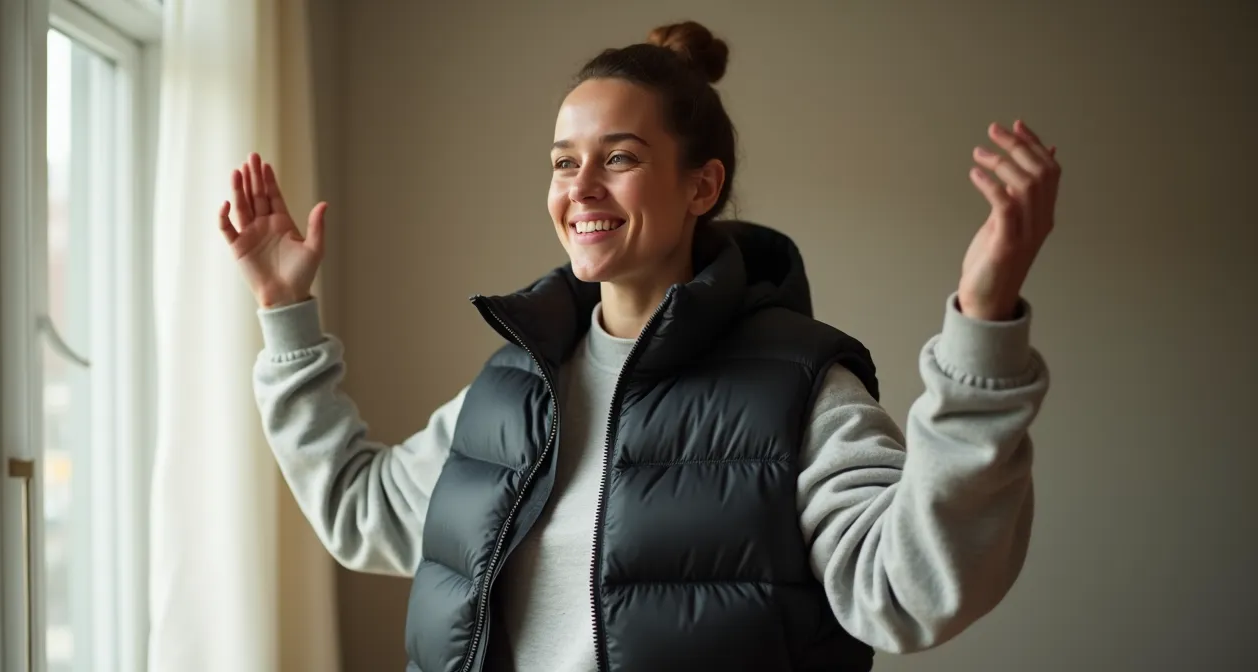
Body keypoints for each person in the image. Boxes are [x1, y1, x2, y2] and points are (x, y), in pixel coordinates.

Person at [219, 20, 1059, 672]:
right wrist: (285, 309)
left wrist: (982, 326)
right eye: (562, 162)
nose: (580, 188)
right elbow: (361, 512)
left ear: (704, 184)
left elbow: (911, 589)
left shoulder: (803, 390)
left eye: (617, 158)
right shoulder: (517, 386)